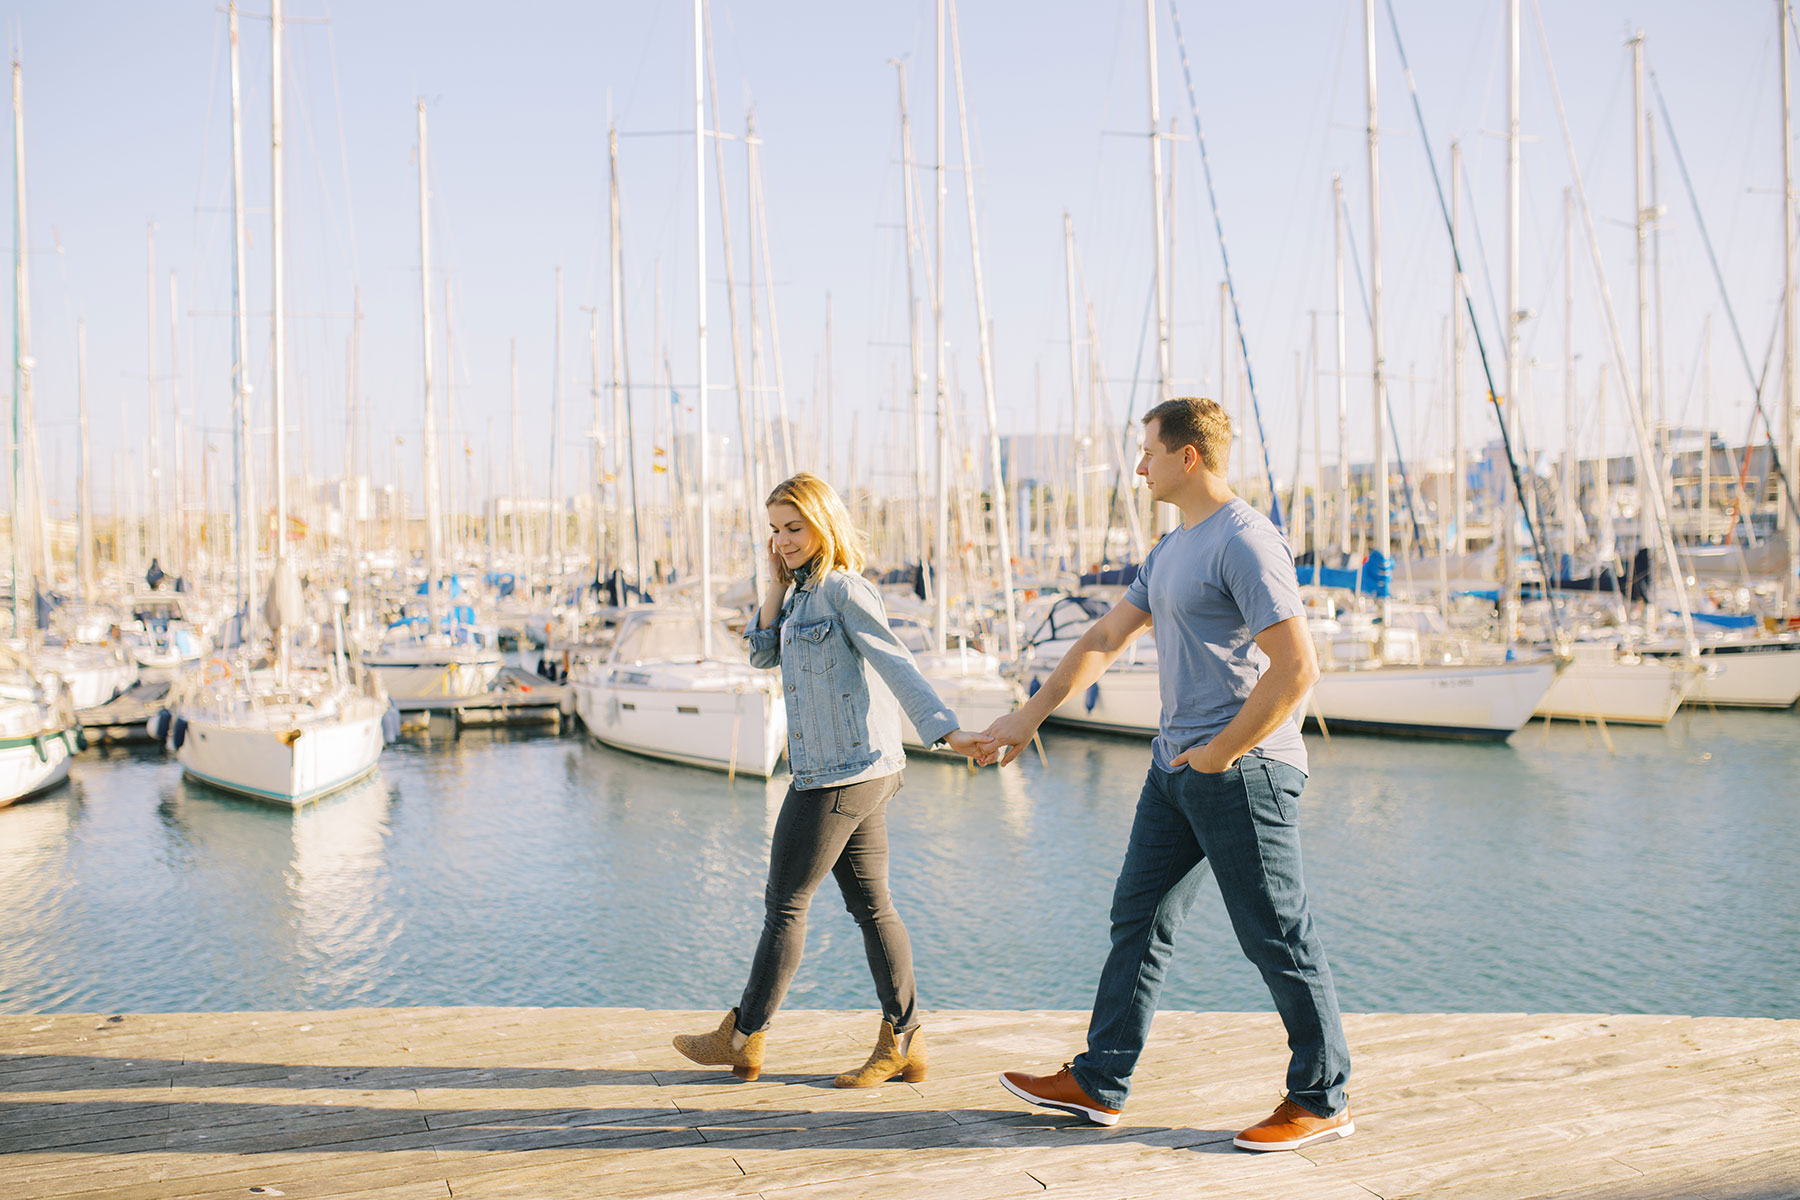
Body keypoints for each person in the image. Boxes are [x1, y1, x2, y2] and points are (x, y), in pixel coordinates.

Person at [977, 397, 1354, 1152]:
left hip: (1244, 772)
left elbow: (1297, 669)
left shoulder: (1245, 542)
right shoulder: (1173, 546)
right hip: (1174, 770)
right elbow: (1106, 634)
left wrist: (1223, 752)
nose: (1139, 466)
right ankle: (1099, 1080)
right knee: (1138, 921)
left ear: (1189, 457)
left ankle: (1322, 1097)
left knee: (1277, 935)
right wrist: (1029, 714)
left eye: (1148, 451)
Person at [673, 472, 986, 1087]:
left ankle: (743, 1037)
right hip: (858, 769)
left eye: (794, 528)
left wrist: (948, 734)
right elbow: (761, 653)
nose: (784, 540)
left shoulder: (844, 590)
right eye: (775, 531)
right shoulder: (798, 595)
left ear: (824, 524)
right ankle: (905, 1040)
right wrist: (772, 582)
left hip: (839, 776)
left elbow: (897, 662)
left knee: (785, 905)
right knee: (873, 908)